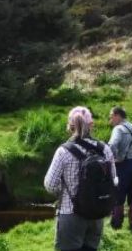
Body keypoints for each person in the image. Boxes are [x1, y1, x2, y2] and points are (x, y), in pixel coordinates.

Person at [44, 106, 117, 251]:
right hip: (97, 214)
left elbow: (50, 185)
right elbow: (113, 179)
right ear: (91, 125)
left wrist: (64, 190)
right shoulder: (105, 149)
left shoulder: (63, 151)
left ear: (70, 127)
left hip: (71, 214)